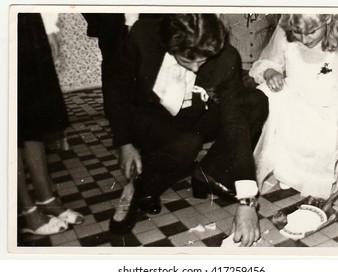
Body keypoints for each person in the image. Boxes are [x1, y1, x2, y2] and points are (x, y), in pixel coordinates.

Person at [108, 14, 269, 246]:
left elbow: (236, 123)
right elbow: (117, 88)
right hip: (151, 119)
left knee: (254, 101)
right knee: (186, 144)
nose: (195, 68)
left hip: (196, 115)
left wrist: (247, 201)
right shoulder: (143, 35)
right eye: (187, 60)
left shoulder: (226, 57)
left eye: (202, 61)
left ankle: (208, 173)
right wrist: (124, 142)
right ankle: (144, 185)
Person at [249, 14, 338, 200]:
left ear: (327, 20)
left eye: (311, 32)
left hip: (324, 120)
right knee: (266, 94)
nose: (304, 39)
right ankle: (284, 168)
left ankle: (321, 170)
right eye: (297, 32)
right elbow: (270, 61)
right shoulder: (287, 33)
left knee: (314, 186)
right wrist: (271, 72)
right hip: (292, 115)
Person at [17, 13, 84, 236]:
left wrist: (48, 27)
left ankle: (46, 198)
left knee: (34, 114)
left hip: (26, 22)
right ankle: (26, 209)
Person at [219, 13, 280, 88]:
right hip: (236, 68)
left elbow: (278, 33)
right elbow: (219, 38)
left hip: (261, 69)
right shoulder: (228, 12)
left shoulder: (269, 10)